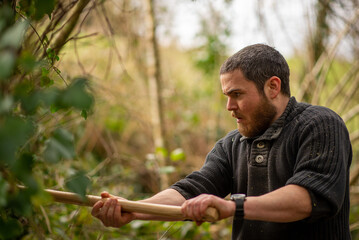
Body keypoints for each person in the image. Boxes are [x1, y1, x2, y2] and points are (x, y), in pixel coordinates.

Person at [91, 44, 352, 240]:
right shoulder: (232, 144)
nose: (229, 106)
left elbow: (307, 198)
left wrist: (232, 207)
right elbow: (190, 190)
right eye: (226, 96)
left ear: (273, 87)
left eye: (237, 94)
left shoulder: (320, 124)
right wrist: (133, 210)